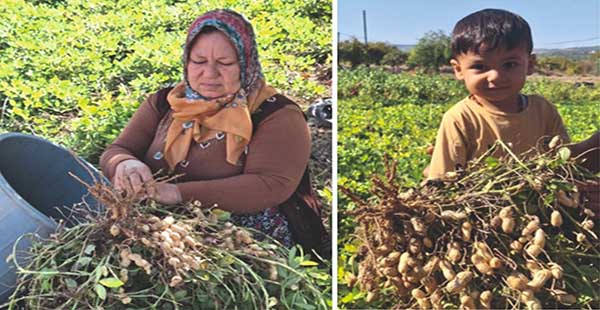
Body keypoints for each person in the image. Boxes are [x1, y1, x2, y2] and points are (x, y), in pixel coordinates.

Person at [99, 9, 313, 248]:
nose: (210, 74)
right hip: (153, 230)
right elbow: (118, 149)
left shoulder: (276, 114)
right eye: (199, 61)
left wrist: (177, 193)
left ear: (246, 63)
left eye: (225, 63)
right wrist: (125, 163)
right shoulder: (165, 102)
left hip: (240, 243)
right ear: (186, 61)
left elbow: (271, 184)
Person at [426, 8, 570, 180]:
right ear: (458, 70)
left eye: (509, 64)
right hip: (480, 206)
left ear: (530, 64)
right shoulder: (460, 119)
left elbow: (565, 163)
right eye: (480, 67)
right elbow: (442, 181)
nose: (496, 76)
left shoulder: (543, 110)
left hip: (543, 203)